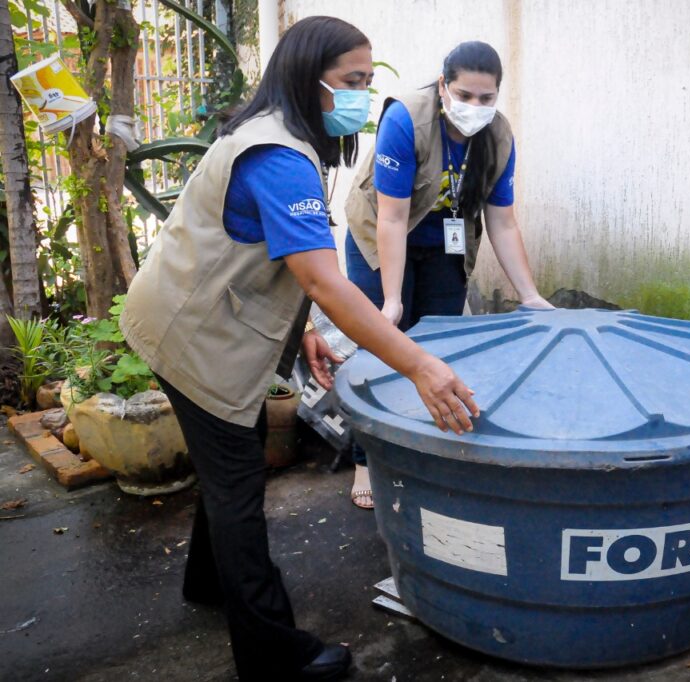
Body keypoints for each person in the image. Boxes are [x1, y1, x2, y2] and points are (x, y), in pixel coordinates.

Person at [119, 17, 478, 681]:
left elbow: (273, 253)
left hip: (188, 317)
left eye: (368, 82)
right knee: (238, 486)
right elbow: (323, 277)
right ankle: (270, 653)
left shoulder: (276, 134)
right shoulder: (279, 157)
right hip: (195, 339)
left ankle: (208, 582)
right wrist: (421, 364)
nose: (362, 97)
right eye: (351, 82)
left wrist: (304, 329)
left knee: (233, 464)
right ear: (306, 78)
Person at [343, 40, 553, 509]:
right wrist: (392, 299)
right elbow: (392, 220)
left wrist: (530, 294)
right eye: (464, 95)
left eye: (486, 98)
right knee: (382, 343)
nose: (475, 107)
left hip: (443, 238)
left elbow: (502, 221)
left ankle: (423, 446)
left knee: (441, 343)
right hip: (380, 232)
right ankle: (364, 458)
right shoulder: (406, 120)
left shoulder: (498, 136)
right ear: (443, 87)